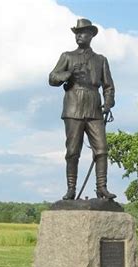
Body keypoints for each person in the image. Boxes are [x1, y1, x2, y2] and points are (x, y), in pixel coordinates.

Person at [49, 18, 116, 200]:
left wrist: (108, 103)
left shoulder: (101, 60)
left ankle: (101, 187)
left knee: (101, 149)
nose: (79, 35)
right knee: (72, 151)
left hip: (94, 108)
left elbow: (108, 86)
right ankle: (71, 188)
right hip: (73, 107)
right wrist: (67, 74)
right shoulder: (67, 56)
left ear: (91, 35)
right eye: (77, 33)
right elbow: (52, 78)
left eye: (83, 32)